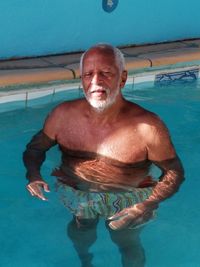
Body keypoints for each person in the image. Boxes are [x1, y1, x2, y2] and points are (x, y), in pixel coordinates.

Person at [23, 44, 184, 267]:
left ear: (123, 77)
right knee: (81, 229)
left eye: (106, 73)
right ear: (81, 80)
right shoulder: (62, 116)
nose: (96, 81)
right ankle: (85, 262)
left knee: (126, 241)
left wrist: (146, 205)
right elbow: (35, 148)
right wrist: (33, 175)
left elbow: (174, 171)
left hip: (129, 198)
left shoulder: (147, 127)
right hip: (77, 193)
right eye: (88, 74)